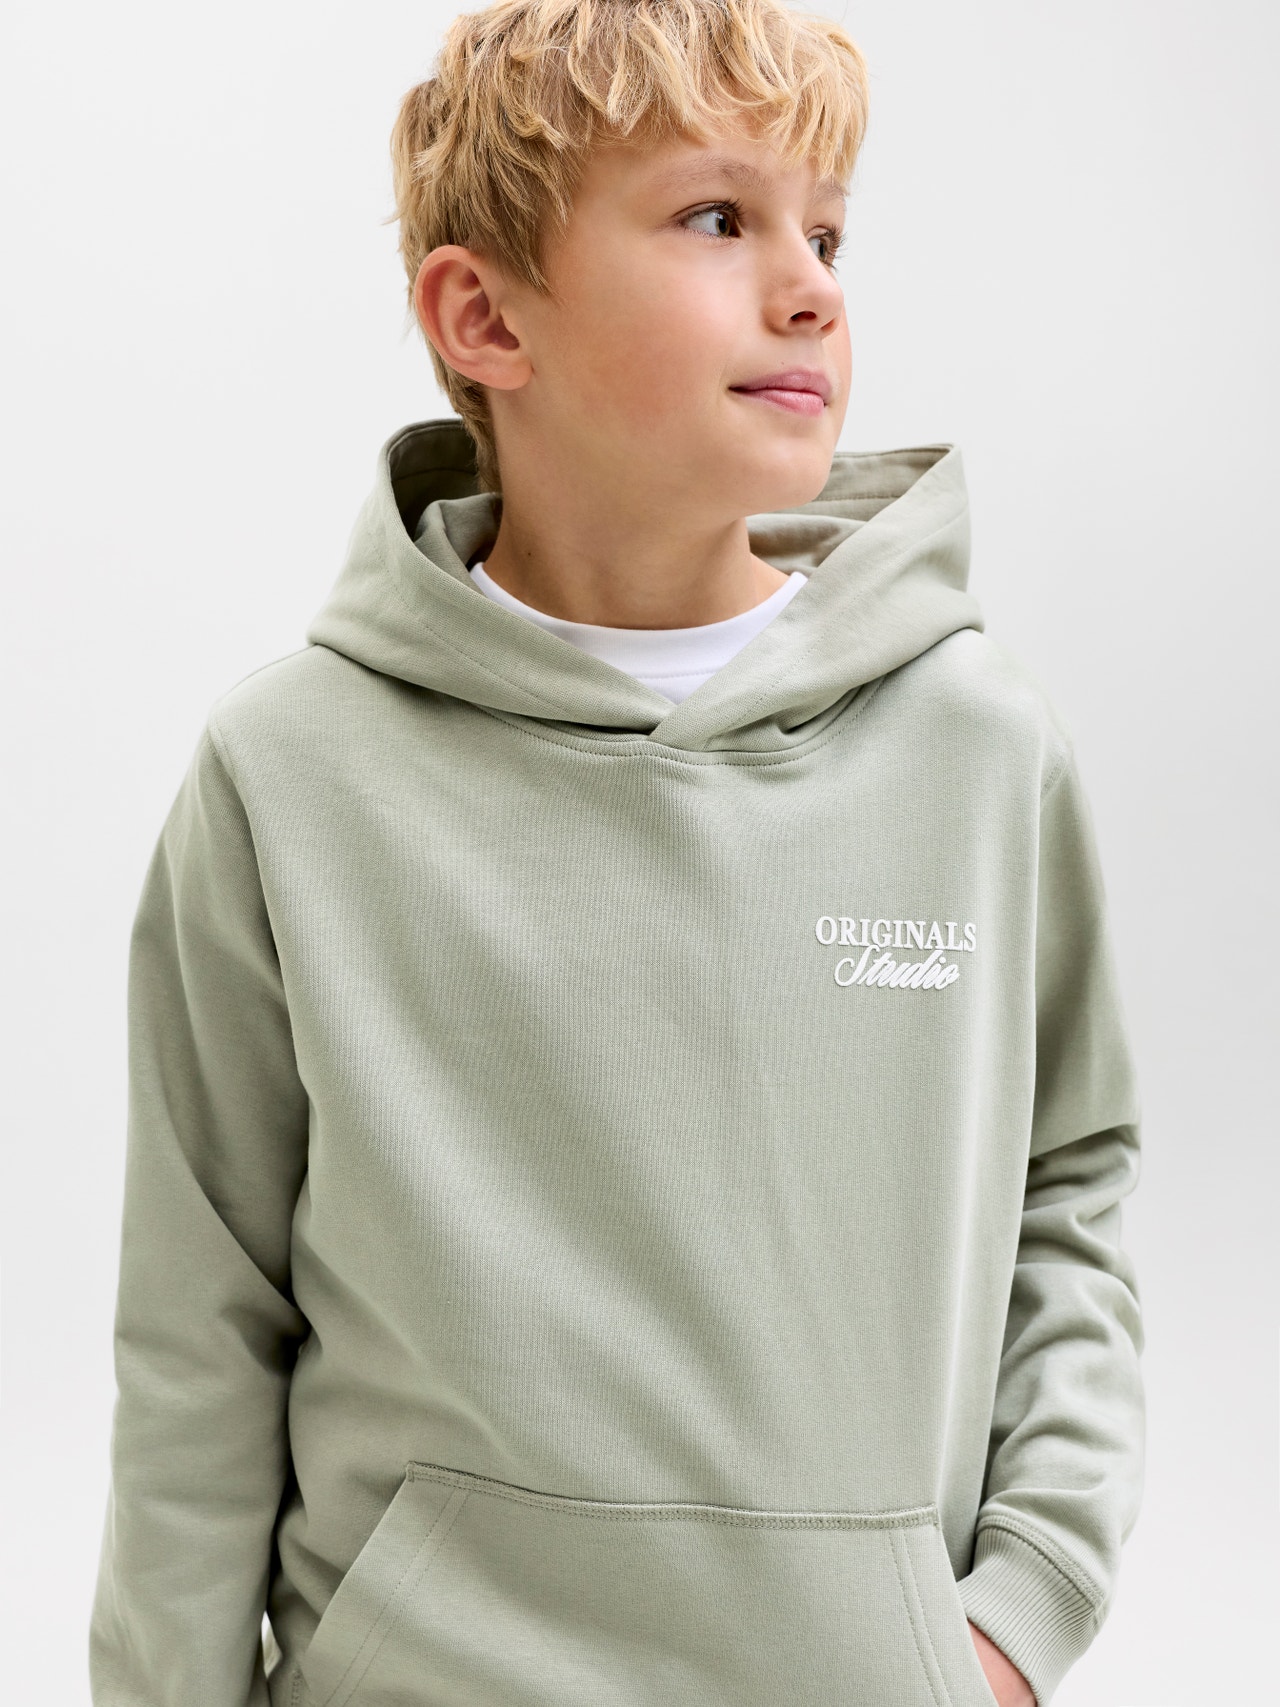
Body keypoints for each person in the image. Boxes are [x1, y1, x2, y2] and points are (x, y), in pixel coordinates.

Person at [88, 1, 1145, 1703]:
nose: (809, 289)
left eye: (827, 234)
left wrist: (1018, 1613)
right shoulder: (289, 777)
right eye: (718, 217)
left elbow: (1068, 1194)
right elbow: (201, 1333)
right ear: (485, 315)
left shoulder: (974, 751)